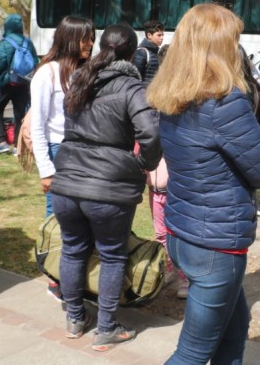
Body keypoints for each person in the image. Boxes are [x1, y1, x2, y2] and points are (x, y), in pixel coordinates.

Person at [146, 3, 260, 365]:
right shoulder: (224, 102)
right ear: (220, 47)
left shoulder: (174, 95)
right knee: (192, 353)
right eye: (233, 40)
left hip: (184, 230)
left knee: (234, 330)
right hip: (215, 242)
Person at [50, 24, 161, 351]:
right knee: (112, 256)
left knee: (73, 249)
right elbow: (151, 133)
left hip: (68, 182)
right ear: (132, 53)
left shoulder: (80, 80)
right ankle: (107, 327)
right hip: (106, 188)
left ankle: (75, 319)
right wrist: (144, 165)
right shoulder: (131, 86)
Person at [31, 16, 95, 301]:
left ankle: (77, 276)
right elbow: (38, 125)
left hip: (86, 152)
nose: (90, 44)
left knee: (82, 218)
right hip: (58, 152)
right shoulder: (47, 73)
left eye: (92, 38)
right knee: (57, 218)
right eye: (85, 39)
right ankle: (54, 278)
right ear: (69, 39)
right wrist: (45, 169)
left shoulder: (87, 71)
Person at [144, 44, 189, 299]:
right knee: (160, 232)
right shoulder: (152, 96)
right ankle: (170, 269)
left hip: (176, 179)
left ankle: (185, 277)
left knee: (178, 232)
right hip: (155, 181)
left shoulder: (186, 96)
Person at [0, 14, 39, 155]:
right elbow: (35, 62)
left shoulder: (5, 43)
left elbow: (1, 63)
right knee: (19, 113)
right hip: (24, 83)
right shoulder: (28, 42)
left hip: (8, 82)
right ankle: (18, 146)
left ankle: (2, 142)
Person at [132, 19, 164, 84]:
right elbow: (133, 77)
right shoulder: (142, 52)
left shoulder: (155, 52)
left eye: (162, 35)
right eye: (159, 35)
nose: (162, 38)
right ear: (149, 35)